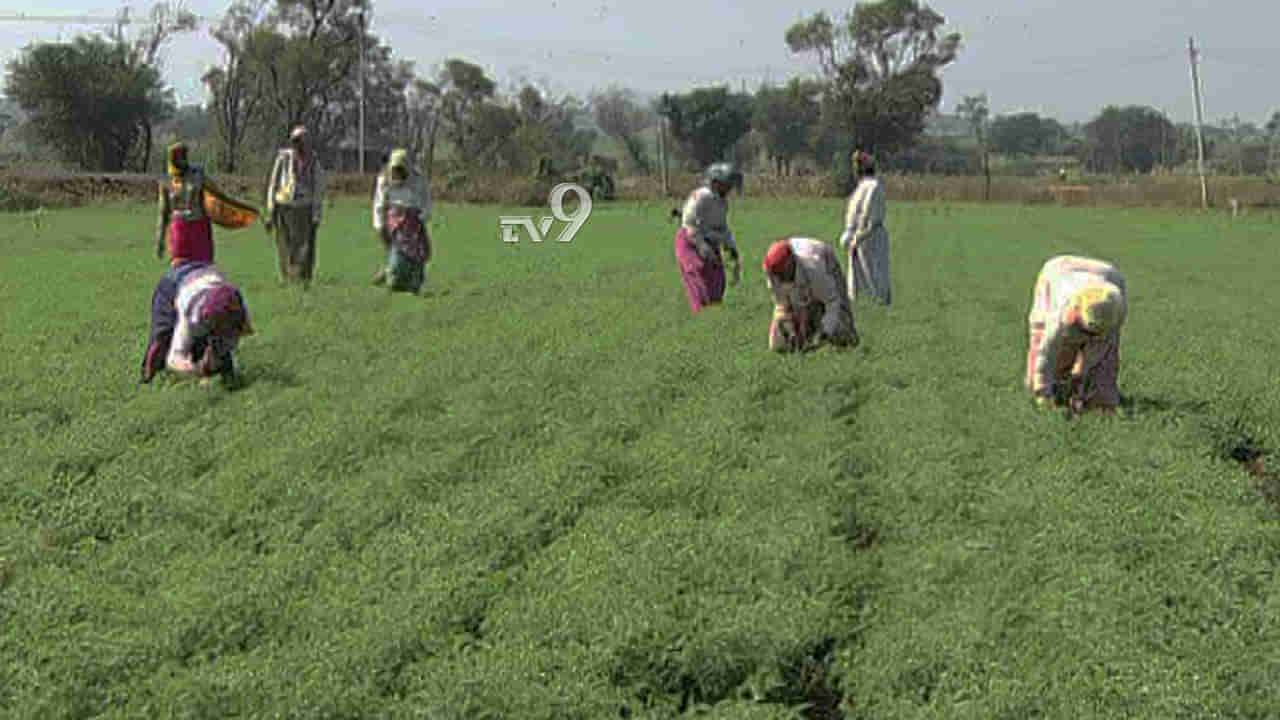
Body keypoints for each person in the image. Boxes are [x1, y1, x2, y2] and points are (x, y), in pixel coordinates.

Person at [142, 142, 254, 382]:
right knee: (181, 277)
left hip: (200, 232)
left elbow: (218, 197)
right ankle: (166, 354)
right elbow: (163, 212)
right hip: (179, 232)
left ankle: (212, 357)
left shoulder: (199, 176)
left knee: (202, 275)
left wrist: (238, 212)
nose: (179, 162)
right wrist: (159, 240)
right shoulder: (166, 181)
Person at [1025, 254, 1128, 414]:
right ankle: (1055, 389)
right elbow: (1046, 353)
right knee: (1050, 340)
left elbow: (1102, 346)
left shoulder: (1115, 305)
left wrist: (1081, 373)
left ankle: (1099, 399)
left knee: (1105, 357)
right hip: (1058, 272)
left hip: (1107, 274)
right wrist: (1042, 392)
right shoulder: (1060, 313)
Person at [141, 263, 254, 384]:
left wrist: (217, 353)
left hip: (205, 275)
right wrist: (196, 370)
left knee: (220, 349)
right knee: (162, 337)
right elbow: (175, 358)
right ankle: (147, 376)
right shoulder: (191, 317)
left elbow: (240, 333)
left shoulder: (235, 304)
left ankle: (229, 380)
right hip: (172, 284)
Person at [761, 237, 859, 353]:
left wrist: (824, 332)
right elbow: (781, 303)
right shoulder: (772, 271)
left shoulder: (813, 265)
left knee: (841, 327)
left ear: (792, 262)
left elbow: (832, 302)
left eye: (784, 273)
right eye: (778, 275)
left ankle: (841, 340)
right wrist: (789, 323)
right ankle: (801, 342)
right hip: (801, 276)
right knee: (778, 345)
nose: (781, 278)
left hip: (824, 258)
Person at [673, 162, 742, 313]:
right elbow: (689, 223)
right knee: (699, 273)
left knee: (718, 280)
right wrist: (702, 246)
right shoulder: (701, 197)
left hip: (709, 243)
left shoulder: (722, 203)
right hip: (690, 241)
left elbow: (722, 229)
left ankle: (714, 313)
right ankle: (701, 314)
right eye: (727, 184)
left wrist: (732, 250)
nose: (730, 188)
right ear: (716, 183)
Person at [264, 125, 326, 288]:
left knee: (304, 245)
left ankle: (303, 278)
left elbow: (319, 189)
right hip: (284, 206)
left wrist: (316, 215)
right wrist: (271, 211)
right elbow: (273, 184)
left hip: (304, 206)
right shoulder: (283, 159)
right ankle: (288, 277)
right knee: (285, 245)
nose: (298, 145)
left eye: (301, 141)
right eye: (295, 141)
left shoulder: (314, 161)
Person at [371, 148, 433, 293]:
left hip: (414, 225)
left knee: (418, 258)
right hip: (395, 226)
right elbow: (379, 205)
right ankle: (391, 274)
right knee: (397, 267)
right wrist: (381, 227)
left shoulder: (418, 180)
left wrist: (420, 219)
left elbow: (426, 203)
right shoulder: (384, 181)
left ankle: (414, 282)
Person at [839, 150, 891, 307]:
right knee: (864, 275)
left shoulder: (871, 187)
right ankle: (870, 304)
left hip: (870, 236)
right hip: (864, 236)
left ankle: (879, 303)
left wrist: (858, 237)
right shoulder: (866, 187)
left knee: (873, 274)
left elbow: (869, 215)